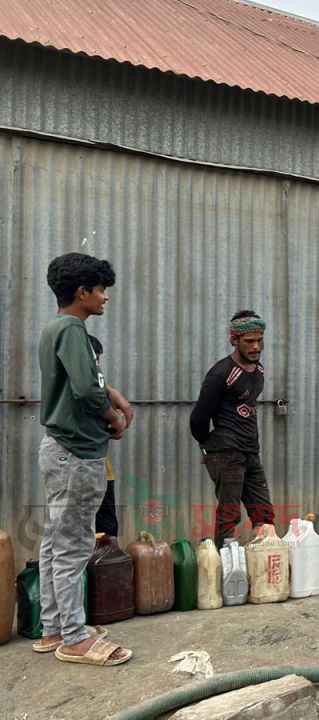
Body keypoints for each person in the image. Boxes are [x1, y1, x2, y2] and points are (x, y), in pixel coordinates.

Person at [36, 252, 132, 666]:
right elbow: (84, 391)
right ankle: (74, 638)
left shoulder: (56, 328)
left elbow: (89, 381)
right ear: (82, 292)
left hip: (59, 449)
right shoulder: (73, 330)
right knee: (74, 546)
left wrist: (111, 394)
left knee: (54, 543)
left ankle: (53, 627)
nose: (105, 297)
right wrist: (113, 418)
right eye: (100, 289)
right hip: (76, 452)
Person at [190, 311, 274, 547]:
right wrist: (212, 447)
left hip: (250, 452)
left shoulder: (259, 371)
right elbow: (198, 418)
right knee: (229, 516)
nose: (256, 346)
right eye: (249, 341)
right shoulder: (221, 373)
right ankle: (226, 572)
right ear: (234, 340)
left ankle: (264, 568)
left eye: (259, 340)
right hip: (226, 453)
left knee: (264, 514)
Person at [87, 335, 132, 538]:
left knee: (107, 530)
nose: (95, 366)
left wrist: (115, 426)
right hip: (82, 469)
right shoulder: (77, 388)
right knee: (79, 531)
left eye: (98, 361)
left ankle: (106, 568)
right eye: (92, 360)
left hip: (103, 470)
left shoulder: (100, 386)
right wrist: (115, 421)